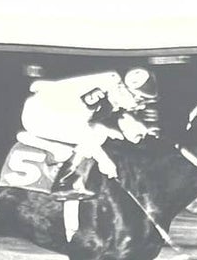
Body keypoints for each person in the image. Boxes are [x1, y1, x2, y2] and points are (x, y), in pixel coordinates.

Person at [19, 66, 158, 200]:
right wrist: (104, 161)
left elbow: (118, 120)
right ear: (124, 90)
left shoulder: (113, 87)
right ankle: (63, 183)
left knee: (102, 132)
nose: (141, 105)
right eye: (139, 99)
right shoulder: (99, 92)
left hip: (58, 112)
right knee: (84, 143)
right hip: (39, 115)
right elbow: (81, 128)